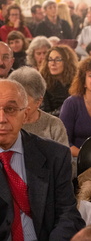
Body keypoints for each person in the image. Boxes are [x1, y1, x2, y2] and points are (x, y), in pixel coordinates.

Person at [0, 79, 85, 240]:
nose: (2, 118)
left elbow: (67, 214)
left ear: (25, 115)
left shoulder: (55, 155)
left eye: (10, 109)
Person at [8, 66, 69, 147]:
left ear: (38, 102)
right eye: (14, 99)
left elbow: (64, 158)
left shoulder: (53, 125)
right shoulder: (4, 121)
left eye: (23, 100)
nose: (17, 105)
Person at [39, 45, 78, 116]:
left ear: (67, 62)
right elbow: (43, 114)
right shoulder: (42, 83)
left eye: (58, 59)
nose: (53, 63)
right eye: (50, 59)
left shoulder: (76, 82)